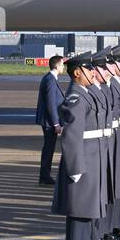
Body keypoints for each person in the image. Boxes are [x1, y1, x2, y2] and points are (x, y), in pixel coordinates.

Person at [54, 57, 108, 240]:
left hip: (92, 156)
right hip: (83, 159)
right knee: (79, 209)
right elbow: (71, 136)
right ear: (77, 72)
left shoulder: (85, 94)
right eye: (89, 69)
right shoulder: (76, 97)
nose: (93, 73)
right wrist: (75, 167)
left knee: (87, 207)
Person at [34, 54, 66, 185]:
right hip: (49, 122)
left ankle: (45, 176)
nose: (63, 67)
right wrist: (56, 123)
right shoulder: (50, 80)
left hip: (49, 121)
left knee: (49, 148)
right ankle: (44, 177)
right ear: (57, 65)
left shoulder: (50, 79)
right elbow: (51, 104)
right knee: (48, 149)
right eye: (62, 64)